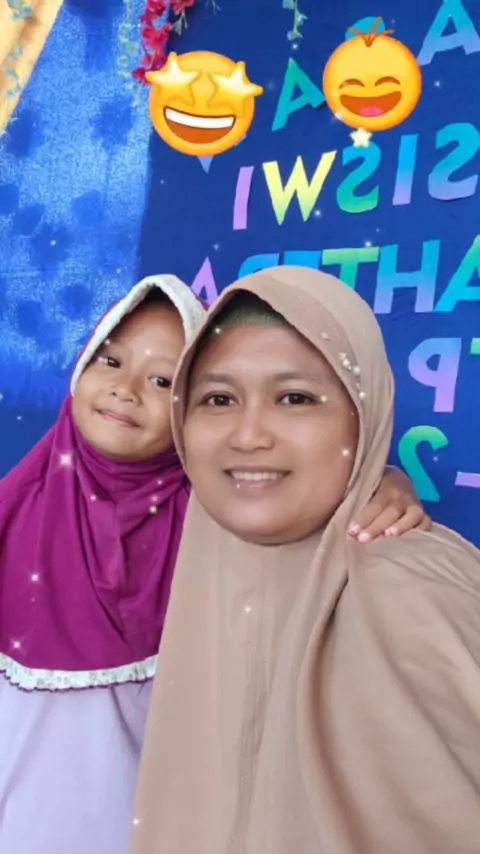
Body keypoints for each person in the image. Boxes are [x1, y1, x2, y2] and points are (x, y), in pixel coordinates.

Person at [0, 272, 425, 853]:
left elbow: (310, 511)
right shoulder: (14, 507)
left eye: (162, 380)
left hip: (156, 816)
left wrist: (383, 481)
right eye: (110, 361)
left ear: (190, 409)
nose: (126, 390)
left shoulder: (214, 514)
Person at [131, 266, 480, 854]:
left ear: (363, 418)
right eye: (218, 399)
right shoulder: (183, 560)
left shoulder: (415, 590)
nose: (248, 435)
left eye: (294, 398)